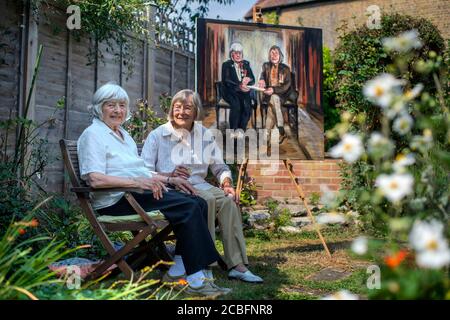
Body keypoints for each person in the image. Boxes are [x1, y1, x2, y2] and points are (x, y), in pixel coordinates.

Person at [77, 82, 230, 297]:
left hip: (135, 194)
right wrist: (137, 183)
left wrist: (170, 179)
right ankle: (197, 280)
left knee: (198, 202)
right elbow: (94, 179)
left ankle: (179, 267)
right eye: (111, 105)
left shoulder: (123, 135)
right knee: (187, 207)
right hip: (116, 201)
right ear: (99, 107)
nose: (118, 111)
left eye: (122, 105)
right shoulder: (93, 135)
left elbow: (142, 171)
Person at [142, 89, 263, 283]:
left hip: (199, 183)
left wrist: (227, 183)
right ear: (171, 109)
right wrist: (169, 175)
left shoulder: (204, 134)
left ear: (196, 111)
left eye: (187, 108)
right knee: (205, 201)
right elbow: (144, 171)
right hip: (172, 189)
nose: (181, 112)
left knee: (228, 202)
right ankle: (203, 264)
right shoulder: (158, 135)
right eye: (177, 107)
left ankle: (237, 265)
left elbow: (219, 165)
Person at [258, 45, 298, 144]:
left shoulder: (285, 68)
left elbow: (287, 86)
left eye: (276, 53)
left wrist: (274, 89)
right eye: (272, 53)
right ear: (269, 55)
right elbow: (262, 74)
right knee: (273, 102)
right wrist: (262, 79)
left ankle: (273, 131)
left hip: (283, 94)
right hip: (270, 95)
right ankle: (280, 130)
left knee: (274, 99)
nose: (274, 55)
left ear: (280, 55)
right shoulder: (266, 66)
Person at [221, 42, 256, 130]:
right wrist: (239, 85)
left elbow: (252, 79)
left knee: (247, 106)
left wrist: (249, 79)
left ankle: (241, 129)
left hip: (243, 92)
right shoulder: (226, 65)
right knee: (236, 105)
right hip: (230, 91)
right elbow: (227, 80)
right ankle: (234, 130)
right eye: (236, 53)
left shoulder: (246, 64)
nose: (238, 55)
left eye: (240, 53)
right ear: (231, 54)